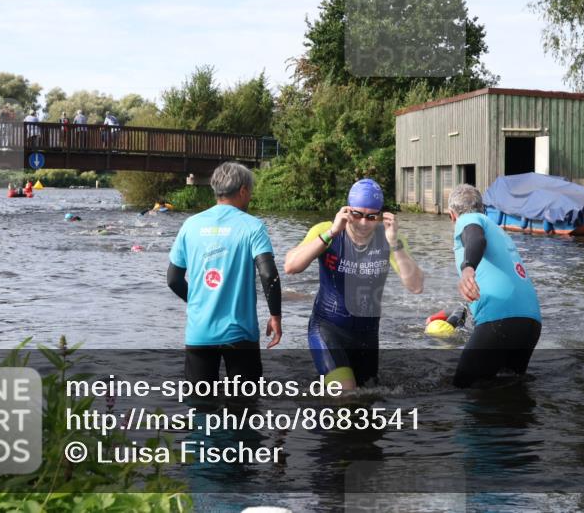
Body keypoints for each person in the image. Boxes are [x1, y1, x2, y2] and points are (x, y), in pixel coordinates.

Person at [284, 178, 424, 390]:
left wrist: (395, 242)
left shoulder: (390, 238)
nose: (363, 223)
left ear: (381, 215)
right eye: (357, 214)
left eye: (371, 217)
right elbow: (290, 266)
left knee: (366, 401)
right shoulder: (326, 230)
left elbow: (416, 286)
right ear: (347, 211)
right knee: (345, 395)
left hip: (367, 336)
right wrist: (331, 233)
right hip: (328, 327)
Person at [167, 162, 282, 385]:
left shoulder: (191, 225)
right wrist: (275, 316)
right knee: (245, 407)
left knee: (200, 406)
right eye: (250, 192)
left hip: (199, 333)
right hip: (241, 334)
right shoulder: (253, 227)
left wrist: (197, 302)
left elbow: (173, 279)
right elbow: (269, 274)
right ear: (243, 191)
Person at [447, 184, 542, 388]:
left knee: (462, 387)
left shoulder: (468, 219)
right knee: (508, 389)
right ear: (484, 208)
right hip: (530, 322)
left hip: (501, 319)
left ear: (452, 215)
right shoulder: (499, 231)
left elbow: (475, 238)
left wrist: (468, 269)